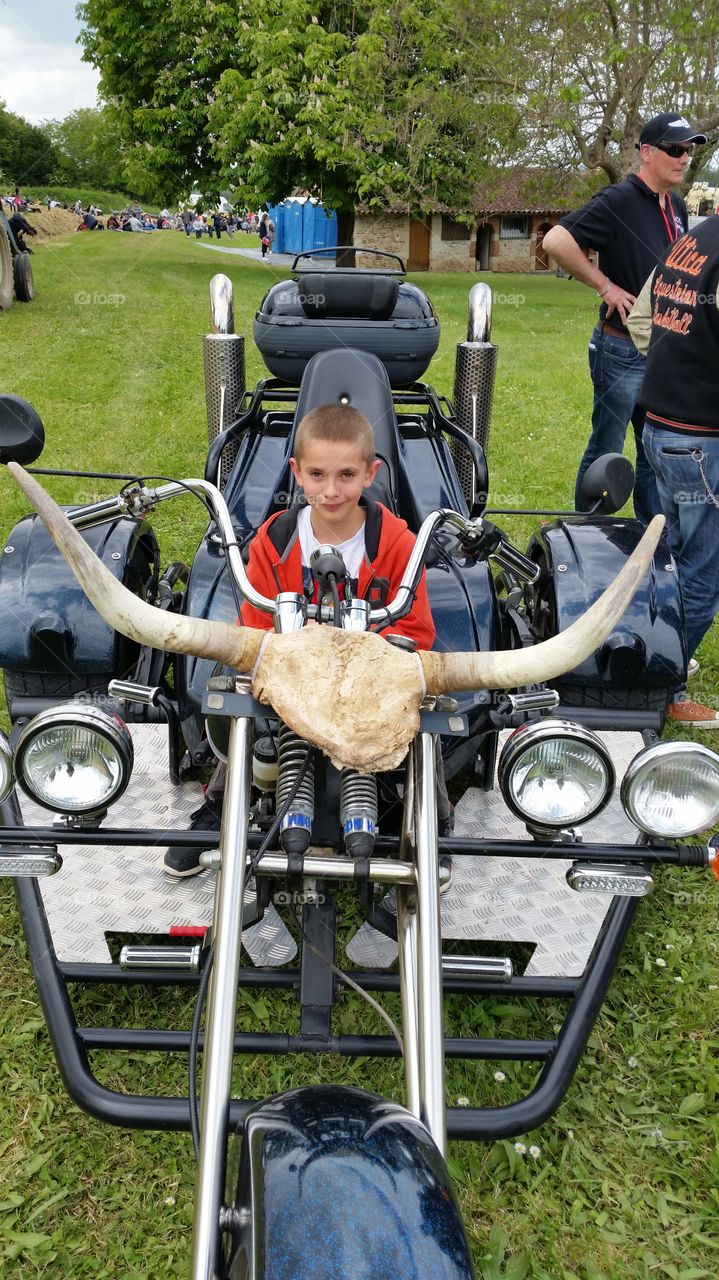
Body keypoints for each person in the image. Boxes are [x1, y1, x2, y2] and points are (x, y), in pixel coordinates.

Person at [163, 402, 444, 877]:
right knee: (235, 692)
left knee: (427, 702)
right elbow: (252, 627)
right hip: (292, 676)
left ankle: (433, 815)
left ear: (371, 473)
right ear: (296, 472)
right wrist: (293, 657)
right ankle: (224, 799)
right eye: (316, 474)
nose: (331, 490)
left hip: (367, 682)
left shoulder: (398, 542)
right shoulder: (277, 538)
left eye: (346, 475)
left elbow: (417, 632)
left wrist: (363, 657)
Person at [543, 111, 706, 525]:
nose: (684, 156)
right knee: (608, 450)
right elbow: (556, 241)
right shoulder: (619, 199)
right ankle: (588, 537)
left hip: (660, 353)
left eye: (688, 149)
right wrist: (605, 286)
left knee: (652, 453)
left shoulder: (677, 206)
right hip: (620, 350)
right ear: (646, 152)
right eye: (675, 149)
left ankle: (650, 543)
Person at [626, 215, 719, 726]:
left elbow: (643, 321)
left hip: (661, 426)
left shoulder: (690, 241)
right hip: (704, 440)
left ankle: (652, 653)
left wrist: (678, 367)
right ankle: (663, 685)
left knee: (669, 563)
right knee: (702, 573)